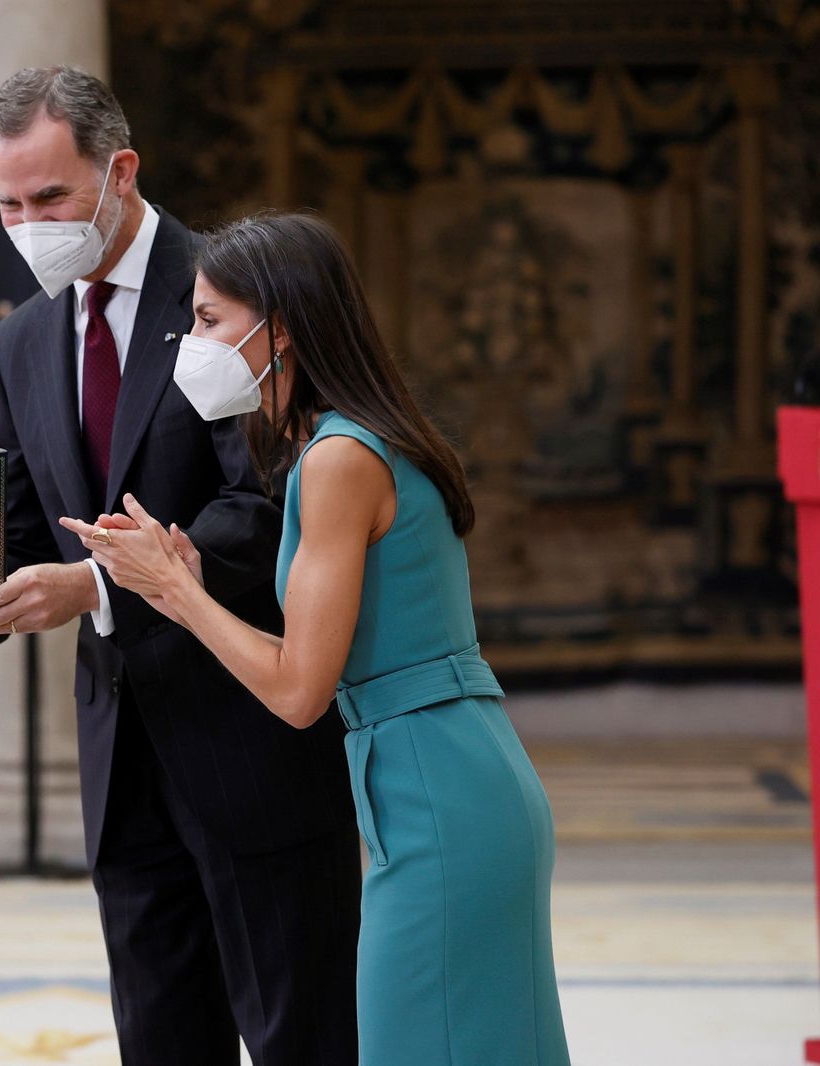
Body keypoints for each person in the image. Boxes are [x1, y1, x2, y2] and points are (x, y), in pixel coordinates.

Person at [0, 67, 358, 1065]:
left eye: (51, 198)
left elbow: (268, 503)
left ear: (121, 171)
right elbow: (21, 524)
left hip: (249, 739)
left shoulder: (232, 289)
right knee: (157, 1035)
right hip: (116, 748)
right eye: (8, 204)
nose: (28, 224)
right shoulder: (17, 338)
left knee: (299, 1036)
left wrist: (97, 583)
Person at [64, 212, 571, 1065]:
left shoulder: (337, 460)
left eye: (210, 320)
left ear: (282, 327)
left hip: (434, 793)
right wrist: (193, 574)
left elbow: (299, 690)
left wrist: (174, 590)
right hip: (447, 774)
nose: (191, 340)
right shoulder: (345, 444)